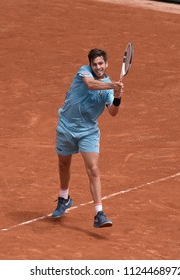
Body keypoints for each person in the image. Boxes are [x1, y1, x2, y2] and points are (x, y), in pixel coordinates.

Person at [52, 48, 123, 228]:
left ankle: (99, 213)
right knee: (63, 164)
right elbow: (91, 85)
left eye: (101, 63)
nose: (98, 67)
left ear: (106, 64)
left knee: (93, 169)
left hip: (88, 132)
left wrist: (117, 97)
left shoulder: (108, 87)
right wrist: (112, 85)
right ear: (90, 65)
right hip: (66, 127)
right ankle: (64, 198)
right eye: (95, 64)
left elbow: (113, 113)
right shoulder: (83, 72)